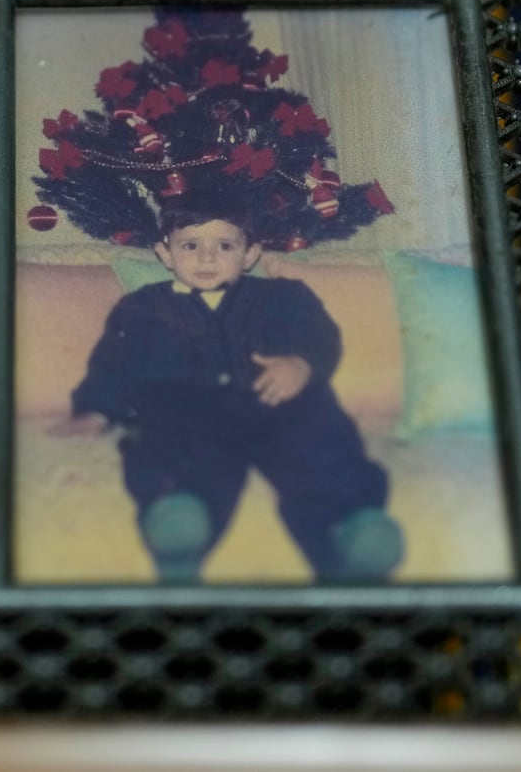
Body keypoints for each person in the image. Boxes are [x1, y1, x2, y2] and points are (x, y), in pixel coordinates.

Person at [69, 192, 402, 583]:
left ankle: (350, 528)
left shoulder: (283, 296)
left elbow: (319, 333)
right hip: (188, 410)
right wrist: (95, 408)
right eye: (191, 245)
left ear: (250, 254)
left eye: (224, 246)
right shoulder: (142, 308)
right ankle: (179, 522)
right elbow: (114, 364)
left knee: (317, 432)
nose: (207, 258)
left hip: (273, 400)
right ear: (165, 253)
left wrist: (300, 363)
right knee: (166, 436)